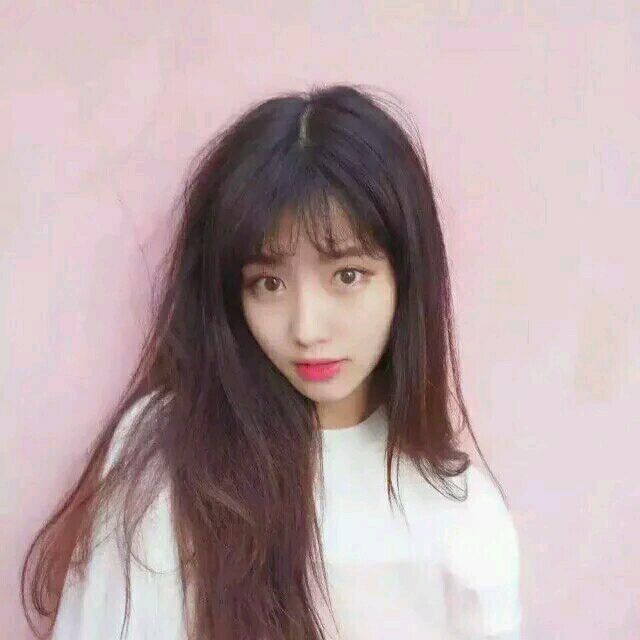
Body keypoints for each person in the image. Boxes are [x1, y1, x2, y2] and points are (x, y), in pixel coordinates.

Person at [21, 84, 522, 640]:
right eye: (269, 284)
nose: (306, 328)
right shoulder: (171, 457)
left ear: (407, 279)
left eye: (347, 276)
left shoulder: (463, 516)